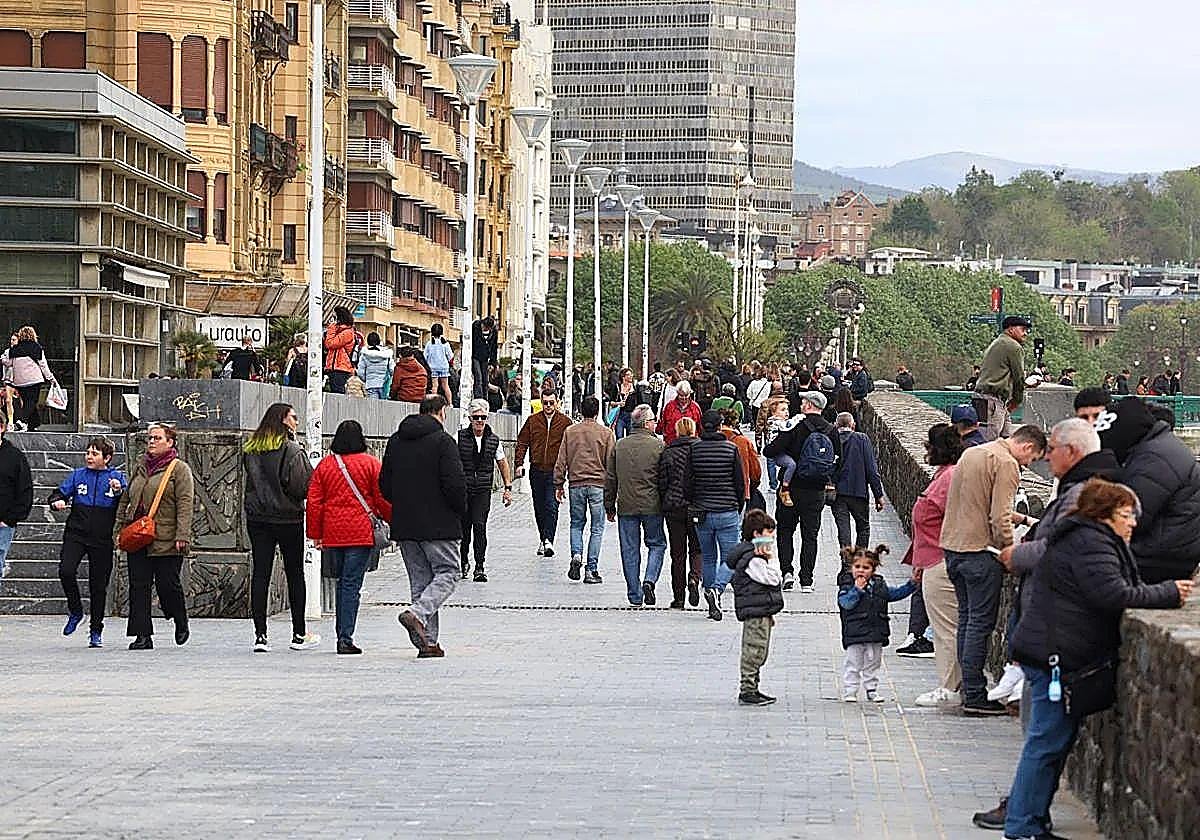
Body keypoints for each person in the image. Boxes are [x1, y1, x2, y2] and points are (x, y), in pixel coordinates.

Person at [1001, 478, 1192, 840]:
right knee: (1044, 745)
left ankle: (1032, 821)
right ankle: (1022, 825)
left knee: (1051, 743)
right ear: (1105, 514)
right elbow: (1112, 593)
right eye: (1126, 514)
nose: (1133, 522)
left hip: (1055, 652)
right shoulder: (1091, 542)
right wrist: (1168, 592)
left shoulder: (1086, 538)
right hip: (1055, 657)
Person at [972, 418, 1122, 830]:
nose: (1047, 457)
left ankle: (1024, 819)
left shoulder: (1081, 494)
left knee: (1044, 736)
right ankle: (1026, 820)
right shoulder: (1082, 490)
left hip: (1055, 633)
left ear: (1072, 452)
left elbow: (1058, 551)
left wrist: (1016, 555)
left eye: (1052, 449)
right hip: (1055, 634)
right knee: (1045, 735)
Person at [939, 424, 1047, 715]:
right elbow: (999, 516)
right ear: (1027, 446)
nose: (1028, 464)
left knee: (966, 620)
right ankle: (975, 693)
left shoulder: (973, 452)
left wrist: (1021, 519)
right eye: (1032, 458)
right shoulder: (1007, 463)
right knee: (979, 623)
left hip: (953, 547)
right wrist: (1011, 551)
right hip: (980, 552)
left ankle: (967, 688)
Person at [380, 395, 466, 658]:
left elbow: (385, 485)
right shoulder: (443, 442)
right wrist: (459, 510)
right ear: (442, 412)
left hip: (406, 525)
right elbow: (454, 485)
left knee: (420, 582)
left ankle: (428, 643)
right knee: (449, 573)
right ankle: (417, 614)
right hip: (439, 525)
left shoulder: (396, 441)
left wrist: (404, 504)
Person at [308, 420, 391, 655]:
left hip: (333, 534)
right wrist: (393, 521)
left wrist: (315, 534)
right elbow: (382, 497)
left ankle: (342, 634)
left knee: (340, 583)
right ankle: (345, 637)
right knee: (351, 584)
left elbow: (314, 502)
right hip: (361, 534)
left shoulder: (325, 465)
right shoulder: (370, 464)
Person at [1099, 395, 1200, 584]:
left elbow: (1131, 516)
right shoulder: (1158, 447)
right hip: (1171, 549)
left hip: (1160, 556)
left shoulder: (1154, 459)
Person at [243, 403, 317, 653]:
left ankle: (260, 635)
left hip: (258, 518)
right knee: (295, 574)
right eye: (293, 417)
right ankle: (299, 633)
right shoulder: (292, 449)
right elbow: (303, 486)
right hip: (287, 517)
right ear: (283, 420)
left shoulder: (251, 449)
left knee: (261, 573)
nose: (297, 421)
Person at [116, 423, 195, 650]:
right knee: (138, 585)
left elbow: (185, 504)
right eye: (150, 438)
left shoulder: (179, 469)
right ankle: (142, 635)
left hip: (166, 537)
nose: (151, 442)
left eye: (157, 438)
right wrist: (119, 527)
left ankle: (179, 618)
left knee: (167, 584)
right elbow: (126, 498)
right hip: (138, 535)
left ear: (170, 442)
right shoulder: (141, 466)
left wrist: (182, 535)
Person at [908, 425, 965, 706]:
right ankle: (952, 685)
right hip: (933, 558)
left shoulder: (949, 477)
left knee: (946, 629)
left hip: (941, 560)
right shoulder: (945, 475)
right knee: (946, 627)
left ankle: (950, 687)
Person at [50, 437, 126, 647]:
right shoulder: (78, 475)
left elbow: (127, 501)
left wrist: (119, 490)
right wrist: (57, 501)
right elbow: (58, 493)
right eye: (88, 453)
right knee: (66, 570)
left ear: (107, 458)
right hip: (76, 534)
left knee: (98, 586)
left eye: (94, 454)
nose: (89, 457)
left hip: (102, 538)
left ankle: (96, 630)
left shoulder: (116, 477)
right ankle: (76, 610)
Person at [763, 391, 841, 593]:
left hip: (790, 489)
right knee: (810, 535)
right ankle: (807, 580)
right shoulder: (831, 430)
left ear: (809, 405)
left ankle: (787, 573)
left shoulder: (795, 426)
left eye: (803, 401)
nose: (801, 404)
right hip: (816, 491)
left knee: (786, 531)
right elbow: (838, 461)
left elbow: (769, 451)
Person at [604, 404, 667, 606]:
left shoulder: (619, 446)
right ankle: (649, 580)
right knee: (657, 544)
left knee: (629, 550)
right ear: (646, 423)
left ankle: (634, 593)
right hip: (652, 505)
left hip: (626, 505)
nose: (655, 424)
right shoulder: (658, 446)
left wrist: (609, 506)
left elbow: (611, 478)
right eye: (653, 420)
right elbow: (664, 478)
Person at [837, 544, 917, 702]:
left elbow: (893, 594)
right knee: (853, 663)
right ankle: (850, 690)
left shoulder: (879, 585)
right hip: (855, 633)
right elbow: (846, 603)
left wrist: (911, 585)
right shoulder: (847, 585)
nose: (861, 570)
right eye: (857, 567)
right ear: (851, 568)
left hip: (876, 631)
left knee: (873, 662)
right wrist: (857, 590)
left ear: (873, 570)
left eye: (866, 567)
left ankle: (871, 689)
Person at [686, 409, 745, 621]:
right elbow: (739, 482)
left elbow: (687, 482)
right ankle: (717, 590)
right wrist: (738, 505)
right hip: (726, 509)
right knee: (730, 557)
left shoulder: (694, 449)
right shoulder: (731, 449)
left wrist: (693, 502)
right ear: (720, 426)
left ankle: (712, 597)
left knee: (708, 556)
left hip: (702, 511)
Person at [725, 508, 784, 706]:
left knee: (760, 649)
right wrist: (772, 559)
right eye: (769, 534)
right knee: (754, 650)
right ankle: (747, 689)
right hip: (755, 612)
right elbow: (773, 579)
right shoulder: (754, 558)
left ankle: (754, 686)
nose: (772, 539)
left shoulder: (754, 555)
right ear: (757, 534)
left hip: (760, 609)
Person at [554, 395, 613, 584]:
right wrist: (613, 491)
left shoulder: (570, 432)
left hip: (576, 484)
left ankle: (576, 554)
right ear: (597, 412)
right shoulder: (606, 434)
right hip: (598, 485)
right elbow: (611, 464)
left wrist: (558, 483)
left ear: (581, 410)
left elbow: (561, 459)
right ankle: (591, 569)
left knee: (576, 523)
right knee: (597, 527)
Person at [458, 399, 513, 583]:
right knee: (464, 529)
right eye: (476, 417)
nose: (480, 421)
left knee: (480, 526)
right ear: (470, 418)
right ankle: (463, 561)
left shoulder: (493, 440)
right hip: (464, 490)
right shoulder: (459, 437)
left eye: (483, 417)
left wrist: (507, 487)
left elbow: (502, 463)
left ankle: (480, 566)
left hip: (482, 490)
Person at [515, 388, 571, 556]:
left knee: (552, 506)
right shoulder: (533, 421)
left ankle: (548, 541)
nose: (548, 406)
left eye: (551, 403)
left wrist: (569, 468)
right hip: (536, 469)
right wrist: (519, 463)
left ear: (557, 403)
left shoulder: (565, 422)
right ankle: (543, 538)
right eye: (545, 403)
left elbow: (570, 447)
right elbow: (522, 442)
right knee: (539, 507)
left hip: (555, 471)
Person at [658, 416, 703, 609]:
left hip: (674, 507)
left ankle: (678, 597)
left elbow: (662, 481)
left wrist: (665, 501)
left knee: (677, 554)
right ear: (693, 430)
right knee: (697, 548)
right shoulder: (700, 450)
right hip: (695, 506)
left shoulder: (668, 451)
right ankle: (694, 577)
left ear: (677, 431)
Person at [972, 315, 1034, 441]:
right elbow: (1018, 378)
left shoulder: (997, 342)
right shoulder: (1013, 347)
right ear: (1011, 329)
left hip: (986, 398)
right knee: (989, 443)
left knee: (1005, 441)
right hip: (993, 400)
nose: (1025, 333)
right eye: (1022, 329)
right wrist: (1016, 401)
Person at [831, 412, 885, 549]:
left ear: (836, 425)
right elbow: (871, 469)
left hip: (837, 493)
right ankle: (860, 559)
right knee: (863, 528)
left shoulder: (831, 439)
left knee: (843, 530)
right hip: (858, 492)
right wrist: (878, 495)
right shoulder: (862, 439)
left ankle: (846, 560)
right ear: (853, 425)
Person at [0, 411, 33, 592]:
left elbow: (25, 491)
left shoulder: (15, 457)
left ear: (1, 427)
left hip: (2, 525)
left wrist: (9, 520)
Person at [2, 325, 57, 430]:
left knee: (28, 402)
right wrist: (50, 378)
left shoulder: (14, 349)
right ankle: (21, 421)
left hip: (19, 381)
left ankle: (34, 424)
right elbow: (43, 365)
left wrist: (3, 358)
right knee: (32, 402)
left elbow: (8, 363)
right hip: (34, 379)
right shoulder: (37, 347)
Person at [719, 409, 762, 508]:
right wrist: (751, 486)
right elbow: (756, 471)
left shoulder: (704, 443)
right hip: (739, 493)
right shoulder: (743, 441)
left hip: (710, 497)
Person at [322, 307, 361, 394]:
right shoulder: (340, 331)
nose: (332, 320)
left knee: (338, 395)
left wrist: (331, 327)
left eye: (334, 317)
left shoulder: (347, 332)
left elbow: (330, 343)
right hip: (334, 368)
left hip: (341, 369)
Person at [659, 380, 702, 446]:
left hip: (691, 445)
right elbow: (663, 424)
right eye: (681, 395)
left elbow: (700, 427)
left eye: (686, 395)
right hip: (672, 443)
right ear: (677, 393)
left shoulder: (695, 407)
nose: (684, 398)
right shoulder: (669, 406)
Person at [423, 323, 454, 405]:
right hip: (444, 367)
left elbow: (424, 356)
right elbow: (450, 356)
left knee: (434, 386)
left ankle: (434, 404)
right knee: (446, 386)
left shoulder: (429, 344)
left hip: (433, 367)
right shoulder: (445, 344)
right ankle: (450, 403)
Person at [356, 332, 393, 399]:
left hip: (370, 385)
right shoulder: (387, 354)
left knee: (373, 405)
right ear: (379, 341)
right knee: (384, 405)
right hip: (384, 385)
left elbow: (360, 373)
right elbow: (392, 370)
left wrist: (367, 379)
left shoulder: (364, 355)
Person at [471, 316, 499, 399]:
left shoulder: (494, 331)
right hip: (475, 356)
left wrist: (493, 363)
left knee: (485, 380)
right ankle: (478, 398)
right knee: (478, 378)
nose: (485, 329)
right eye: (484, 327)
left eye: (488, 329)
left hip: (486, 358)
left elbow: (494, 347)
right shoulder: (475, 326)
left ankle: (485, 398)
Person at [611, 367, 635, 438]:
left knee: (630, 438)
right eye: (628, 375)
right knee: (619, 437)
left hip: (631, 416)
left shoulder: (635, 388)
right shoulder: (617, 387)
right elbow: (611, 402)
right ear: (623, 376)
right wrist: (619, 403)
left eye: (631, 374)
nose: (631, 376)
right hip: (619, 416)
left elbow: (638, 403)